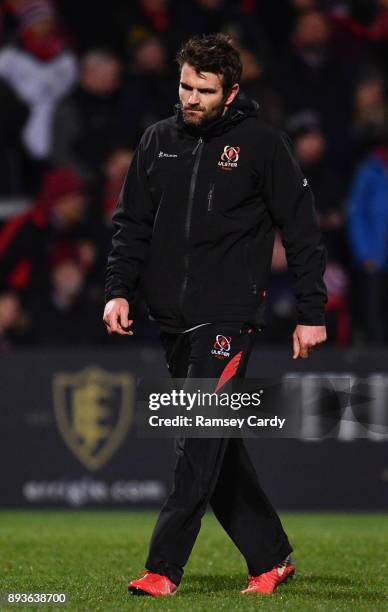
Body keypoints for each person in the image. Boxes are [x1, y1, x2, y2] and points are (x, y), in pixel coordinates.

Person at [103, 33, 327, 597]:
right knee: (214, 446)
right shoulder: (158, 141)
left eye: (204, 90)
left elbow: (301, 231)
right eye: (185, 86)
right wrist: (118, 290)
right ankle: (271, 557)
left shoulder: (261, 145)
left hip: (230, 316)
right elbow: (131, 225)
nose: (191, 98)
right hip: (172, 320)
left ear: (231, 93)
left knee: (199, 437)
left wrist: (311, 311)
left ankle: (163, 568)